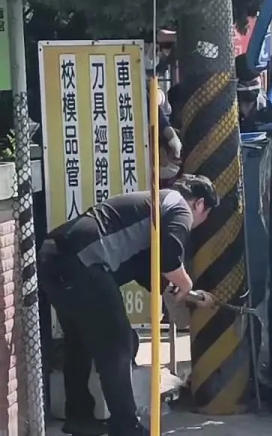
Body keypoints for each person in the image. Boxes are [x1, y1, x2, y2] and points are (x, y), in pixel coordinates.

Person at [38, 175, 218, 436]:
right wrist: (187, 283)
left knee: (79, 343)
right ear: (200, 204)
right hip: (86, 263)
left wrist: (191, 295)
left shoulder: (152, 207)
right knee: (119, 343)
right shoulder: (178, 205)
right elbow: (169, 258)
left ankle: (79, 417)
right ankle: (126, 426)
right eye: (205, 216)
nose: (196, 224)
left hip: (55, 258)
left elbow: (148, 272)